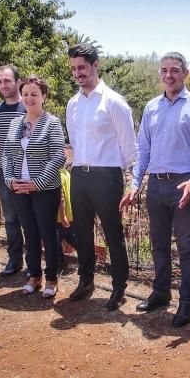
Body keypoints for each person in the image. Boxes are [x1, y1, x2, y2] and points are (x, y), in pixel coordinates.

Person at [121, 52, 190, 326]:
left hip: (185, 185)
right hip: (156, 186)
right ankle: (161, 293)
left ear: (185, 73)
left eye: (175, 70)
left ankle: (186, 303)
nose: (169, 75)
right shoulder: (151, 107)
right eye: (164, 70)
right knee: (159, 244)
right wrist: (136, 182)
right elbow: (143, 149)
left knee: (186, 248)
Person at [64, 43, 137, 310]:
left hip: (107, 177)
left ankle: (119, 287)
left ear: (96, 65)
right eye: (73, 68)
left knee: (112, 233)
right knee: (81, 232)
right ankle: (86, 281)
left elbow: (130, 148)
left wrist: (131, 182)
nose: (78, 73)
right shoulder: (72, 104)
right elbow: (73, 140)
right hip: (79, 176)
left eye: (82, 67)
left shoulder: (114, 102)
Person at [2, 75, 66, 299]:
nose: (29, 98)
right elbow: (6, 155)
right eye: (26, 94)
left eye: (34, 94)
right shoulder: (15, 124)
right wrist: (10, 180)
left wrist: (36, 184)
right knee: (29, 233)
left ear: (44, 97)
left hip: (45, 189)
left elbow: (58, 156)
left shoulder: (52, 123)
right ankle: (33, 276)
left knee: (47, 233)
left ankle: (51, 278)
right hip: (19, 188)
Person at [0, 64, 27, 276]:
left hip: (28, 173)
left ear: (18, 83)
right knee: (11, 220)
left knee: (30, 220)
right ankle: (14, 261)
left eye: (7, 81)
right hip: (6, 173)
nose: (3, 85)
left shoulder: (28, 107)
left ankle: (36, 263)